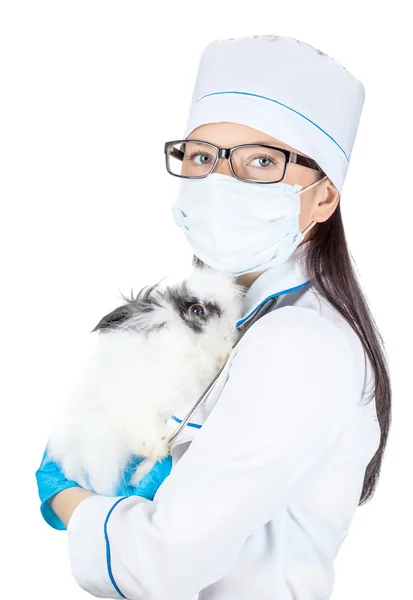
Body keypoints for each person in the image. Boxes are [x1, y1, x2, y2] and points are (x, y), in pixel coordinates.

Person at [35, 35, 391, 599]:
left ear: (324, 199)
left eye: (262, 162)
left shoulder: (300, 341)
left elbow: (162, 564)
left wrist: (69, 499)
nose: (222, 182)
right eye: (203, 157)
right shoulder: (232, 324)